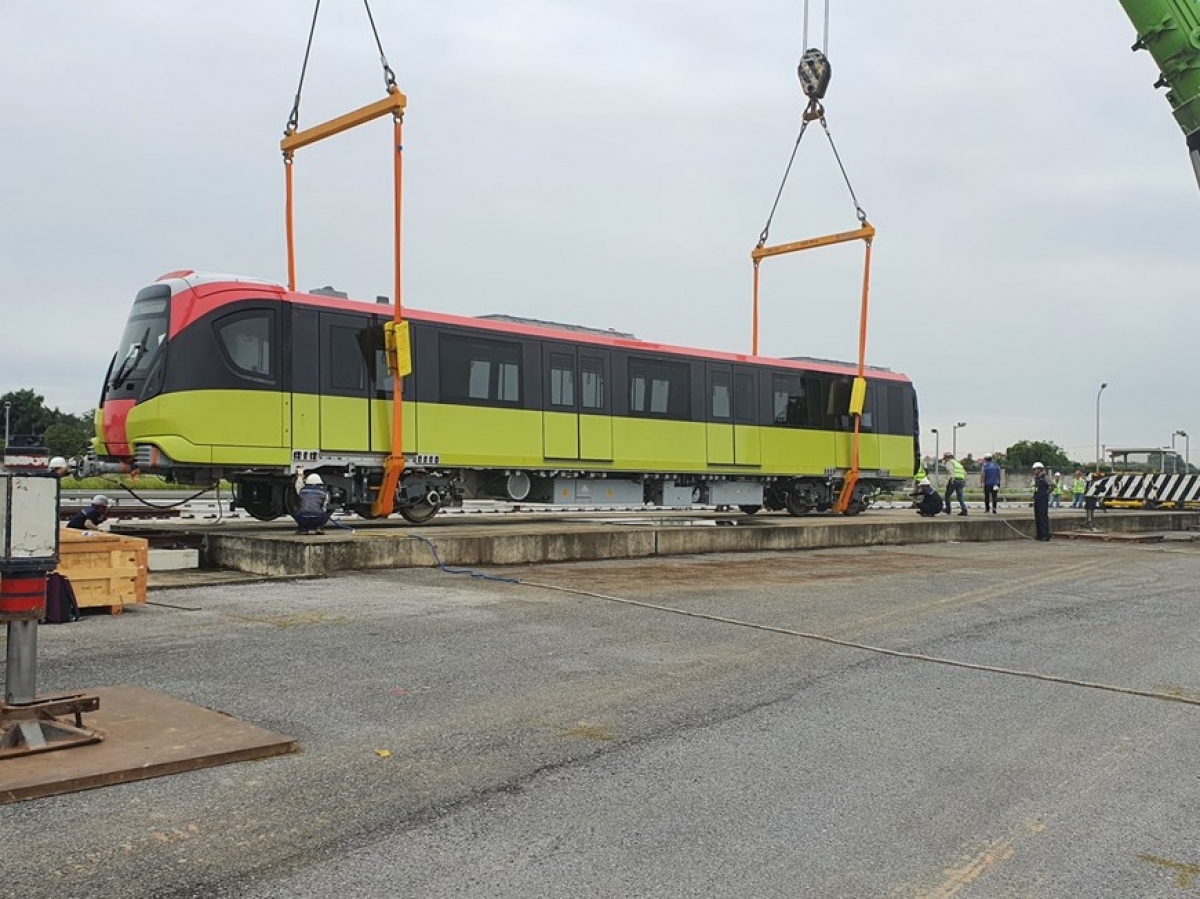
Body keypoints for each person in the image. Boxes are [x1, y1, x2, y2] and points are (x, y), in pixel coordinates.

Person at [292, 469, 331, 535]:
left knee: (296, 511)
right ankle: (319, 527)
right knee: (326, 513)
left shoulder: (302, 490)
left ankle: (303, 529)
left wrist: (300, 475)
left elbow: (298, 484)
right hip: (318, 518)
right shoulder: (325, 492)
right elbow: (325, 507)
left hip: (302, 518)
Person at [941, 451, 968, 516]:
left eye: (944, 458)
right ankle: (964, 509)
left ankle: (948, 509)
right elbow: (965, 473)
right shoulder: (957, 463)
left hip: (954, 480)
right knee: (960, 496)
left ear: (947, 458)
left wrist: (952, 479)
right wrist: (964, 480)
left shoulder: (949, 463)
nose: (944, 460)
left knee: (947, 495)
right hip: (961, 480)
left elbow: (951, 471)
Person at [1032, 462, 1051, 540]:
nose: (1034, 471)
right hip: (1037, 499)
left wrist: (1046, 494)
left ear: (1039, 469)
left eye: (1035, 469)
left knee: (1043, 517)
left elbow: (1052, 486)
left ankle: (1045, 535)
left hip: (1043, 499)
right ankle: (1039, 534)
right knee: (1038, 516)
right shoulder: (1036, 478)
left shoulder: (1045, 477)